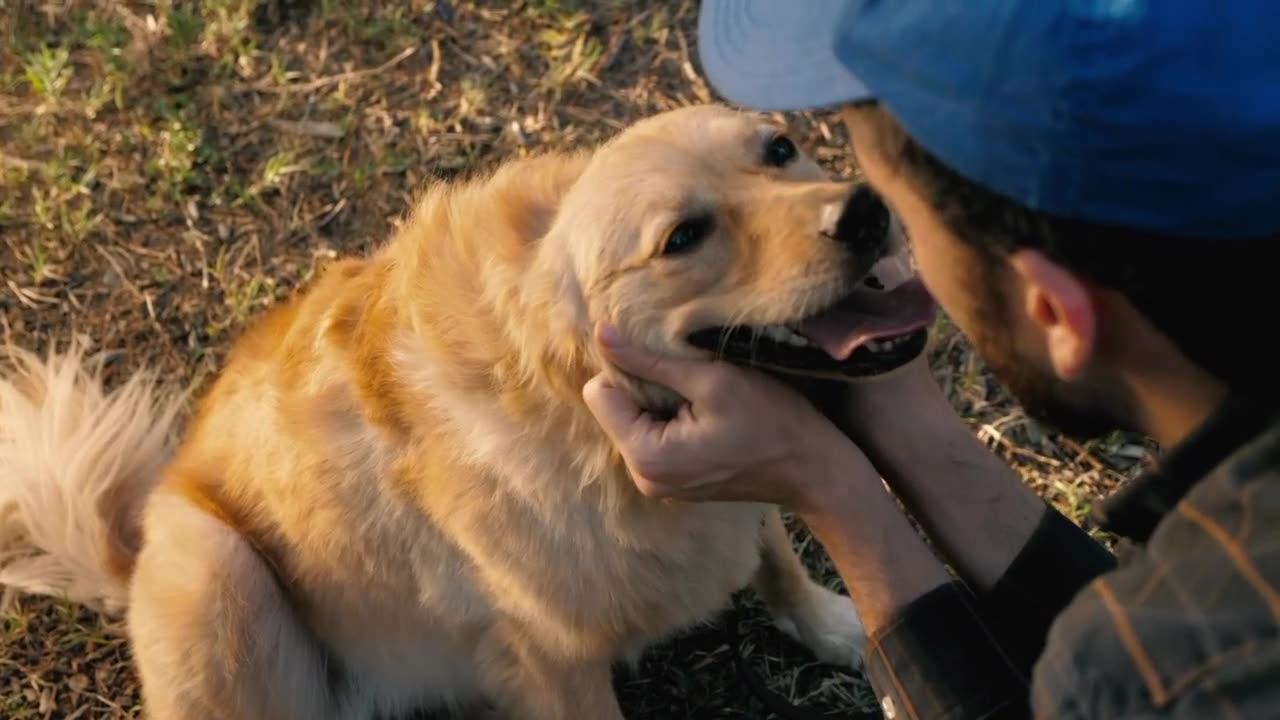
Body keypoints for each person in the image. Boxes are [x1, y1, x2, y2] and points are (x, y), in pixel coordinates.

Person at [582, 1, 1280, 718]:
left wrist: (830, 492)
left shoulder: (1166, 684)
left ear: (1056, 309)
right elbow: (1158, 635)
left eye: (902, 217)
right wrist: (906, 426)